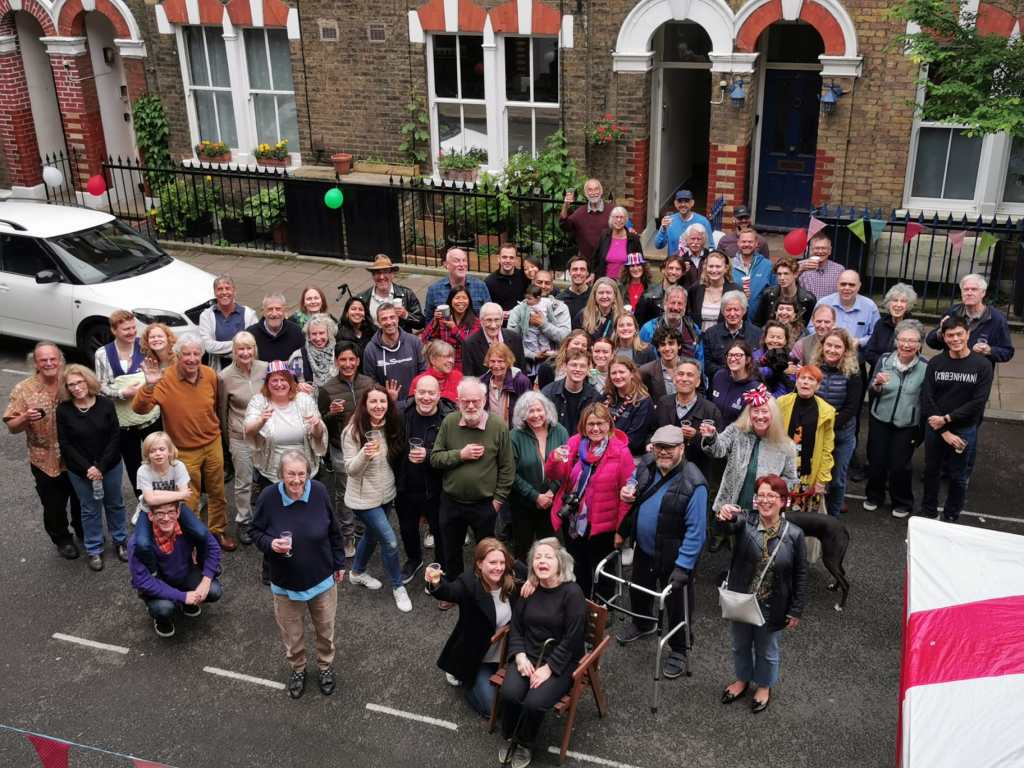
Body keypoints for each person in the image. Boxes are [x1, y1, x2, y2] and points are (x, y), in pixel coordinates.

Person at [250, 451, 346, 699]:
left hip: (322, 580)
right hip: (285, 584)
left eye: (301, 474)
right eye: (290, 474)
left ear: (309, 473)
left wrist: (339, 564)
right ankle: (298, 669)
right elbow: (255, 531)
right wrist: (271, 544)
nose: (296, 480)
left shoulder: (319, 491)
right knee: (292, 635)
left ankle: (325, 666)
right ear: (281, 474)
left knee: (325, 630)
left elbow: (334, 531)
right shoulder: (269, 497)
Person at [616, 425, 707, 678]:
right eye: (659, 447)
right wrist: (628, 489)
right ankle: (643, 623)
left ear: (682, 448)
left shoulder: (695, 482)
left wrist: (684, 566)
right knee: (639, 590)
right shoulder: (647, 463)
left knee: (678, 607)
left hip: (675, 558)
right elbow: (634, 480)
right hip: (644, 549)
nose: (664, 452)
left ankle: (679, 650)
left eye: (670, 447)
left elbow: (697, 531)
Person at [133, 335, 236, 550]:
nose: (192, 358)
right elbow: (139, 409)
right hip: (184, 450)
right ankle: (194, 539)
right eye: (186, 354)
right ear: (178, 356)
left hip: (213, 442)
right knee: (189, 498)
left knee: (218, 492)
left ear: (202, 355)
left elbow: (215, 406)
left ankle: (217, 531)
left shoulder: (209, 375)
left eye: (196, 354)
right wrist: (149, 385)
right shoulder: (165, 379)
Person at [716, 474, 807, 713]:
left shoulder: (795, 534)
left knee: (767, 650)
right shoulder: (745, 520)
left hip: (772, 604)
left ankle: (764, 686)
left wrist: (796, 608)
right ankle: (742, 680)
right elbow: (727, 525)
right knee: (740, 644)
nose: (765, 500)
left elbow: (800, 574)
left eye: (772, 496)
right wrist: (723, 514)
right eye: (761, 495)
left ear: (783, 501)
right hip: (742, 600)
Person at [498, 538, 586, 768]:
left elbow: (573, 639)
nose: (542, 561)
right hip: (528, 654)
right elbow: (516, 626)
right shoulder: (529, 588)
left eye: (548, 557)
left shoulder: (572, 593)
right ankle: (510, 736)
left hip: (560, 661)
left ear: (560, 562)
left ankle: (525, 743)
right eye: (537, 557)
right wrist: (519, 655)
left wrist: (550, 668)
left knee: (533, 703)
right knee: (509, 694)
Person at [545, 403, 633, 598]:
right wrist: (554, 459)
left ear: (609, 425)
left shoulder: (620, 452)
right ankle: (580, 602)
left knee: (603, 572)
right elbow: (555, 475)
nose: (595, 428)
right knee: (578, 567)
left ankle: (602, 607)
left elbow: (626, 497)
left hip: (604, 525)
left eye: (600, 423)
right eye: (590, 424)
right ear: (583, 426)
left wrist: (621, 531)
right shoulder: (575, 444)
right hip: (574, 521)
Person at [430, 378, 516, 579]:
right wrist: (460, 454)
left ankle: (485, 587)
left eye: (475, 401)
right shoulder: (449, 422)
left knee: (487, 553)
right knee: (451, 551)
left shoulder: (497, 426)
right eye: (465, 401)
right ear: (458, 401)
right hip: (451, 502)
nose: (470, 406)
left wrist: (498, 501)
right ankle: (454, 587)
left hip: (484, 504)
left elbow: (507, 467)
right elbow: (435, 458)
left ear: (484, 400)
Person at [4, 342, 83, 558]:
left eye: (52, 359)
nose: (49, 363)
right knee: (53, 505)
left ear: (60, 361)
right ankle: (62, 539)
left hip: (76, 455)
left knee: (81, 498)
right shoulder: (23, 389)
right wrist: (25, 417)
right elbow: (12, 427)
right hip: (44, 460)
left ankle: (84, 530)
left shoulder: (72, 382)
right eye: (43, 360)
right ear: (36, 363)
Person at [424, 539, 521, 716]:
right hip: (478, 657)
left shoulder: (511, 575)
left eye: (502, 562)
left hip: (506, 653)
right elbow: (449, 591)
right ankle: (465, 679)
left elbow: (537, 572)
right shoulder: (468, 583)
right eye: (492, 562)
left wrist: (532, 581)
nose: (498, 568)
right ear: (479, 564)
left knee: (516, 699)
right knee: (491, 709)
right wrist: (435, 581)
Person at [341, 385, 411, 611]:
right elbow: (351, 470)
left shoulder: (391, 425)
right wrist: (365, 454)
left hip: (387, 493)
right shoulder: (353, 431)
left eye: (383, 401)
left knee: (371, 535)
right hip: (363, 499)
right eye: (373, 401)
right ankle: (398, 586)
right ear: (365, 404)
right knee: (390, 541)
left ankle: (357, 572)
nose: (378, 406)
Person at [919, 316, 993, 522]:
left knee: (958, 476)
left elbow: (978, 402)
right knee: (931, 471)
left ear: (968, 334)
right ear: (944, 337)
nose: (955, 339)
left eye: (959, 334)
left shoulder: (983, 365)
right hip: (936, 428)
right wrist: (943, 429)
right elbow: (927, 397)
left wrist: (947, 419)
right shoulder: (936, 363)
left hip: (964, 429)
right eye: (950, 335)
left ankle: (951, 514)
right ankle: (928, 511)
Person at [57, 364, 127, 572]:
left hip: (110, 465)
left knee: (115, 504)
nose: (77, 387)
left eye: (80, 382)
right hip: (81, 471)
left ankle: (120, 541)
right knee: (89, 509)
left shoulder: (106, 404)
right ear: (67, 388)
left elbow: (115, 436)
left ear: (88, 381)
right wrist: (88, 468)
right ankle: (94, 549)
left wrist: (101, 467)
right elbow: (65, 444)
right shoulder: (63, 410)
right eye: (71, 385)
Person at [129, 500, 223, 639]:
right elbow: (143, 581)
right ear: (150, 516)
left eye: (170, 512)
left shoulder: (188, 528)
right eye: (160, 513)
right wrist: (183, 597)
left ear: (178, 512)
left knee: (214, 590)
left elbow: (213, 547)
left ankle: (186, 601)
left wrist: (206, 579)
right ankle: (161, 618)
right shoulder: (137, 543)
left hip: (185, 575)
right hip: (159, 582)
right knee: (164, 609)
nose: (166, 518)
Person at [244, 360, 328, 513]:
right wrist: (261, 420)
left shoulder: (304, 400)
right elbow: (248, 430)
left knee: (306, 512)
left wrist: (317, 425)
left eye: (283, 379)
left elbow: (319, 435)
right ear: (267, 383)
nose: (279, 384)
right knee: (276, 514)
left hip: (304, 470)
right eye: (274, 380)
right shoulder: (259, 401)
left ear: (290, 382)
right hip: (272, 473)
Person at [699, 387, 798, 515]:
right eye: (755, 411)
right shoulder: (736, 431)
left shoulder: (786, 446)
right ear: (749, 414)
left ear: (773, 415)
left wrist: (772, 491)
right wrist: (711, 437)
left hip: (766, 511)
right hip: (730, 507)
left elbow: (791, 479)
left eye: (765, 411)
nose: (760, 416)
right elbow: (718, 449)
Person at [863, 321, 927, 518]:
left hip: (907, 424)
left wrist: (921, 429)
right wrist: (877, 385)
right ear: (896, 341)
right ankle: (874, 496)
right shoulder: (884, 360)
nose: (906, 345)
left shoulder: (926, 367)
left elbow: (926, 399)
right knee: (877, 461)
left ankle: (902, 502)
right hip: (880, 419)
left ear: (919, 344)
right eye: (902, 340)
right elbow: (872, 389)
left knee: (900, 466)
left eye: (912, 341)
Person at [396, 375, 454, 589]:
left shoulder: (449, 418)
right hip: (406, 484)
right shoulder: (402, 413)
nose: (426, 397)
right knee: (407, 528)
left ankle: (439, 567)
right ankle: (414, 559)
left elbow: (453, 453)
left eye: (431, 393)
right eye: (422, 392)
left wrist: (428, 455)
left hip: (437, 487)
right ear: (414, 393)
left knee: (440, 530)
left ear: (439, 395)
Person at [93, 309, 160, 494]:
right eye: (126, 329)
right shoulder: (102, 354)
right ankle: (143, 499)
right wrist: (122, 392)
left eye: (133, 328)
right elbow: (100, 387)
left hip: (150, 417)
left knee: (159, 458)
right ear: (114, 330)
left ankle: (162, 498)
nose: (131, 332)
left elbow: (159, 373)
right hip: (123, 423)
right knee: (134, 464)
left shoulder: (145, 346)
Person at [318, 341, 373, 558]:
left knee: (365, 488)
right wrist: (331, 414)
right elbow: (321, 423)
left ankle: (362, 530)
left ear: (358, 361)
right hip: (340, 448)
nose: (348, 364)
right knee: (343, 494)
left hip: (365, 446)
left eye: (352, 359)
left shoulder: (369, 383)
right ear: (336, 361)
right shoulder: (327, 389)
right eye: (343, 359)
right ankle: (347, 535)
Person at [217, 332, 269, 545]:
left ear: (255, 349)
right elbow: (222, 411)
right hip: (240, 435)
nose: (246, 353)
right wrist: (228, 440)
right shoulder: (224, 376)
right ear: (234, 351)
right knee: (244, 481)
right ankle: (244, 521)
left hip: (265, 433)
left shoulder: (265, 368)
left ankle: (269, 516)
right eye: (241, 349)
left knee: (268, 477)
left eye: (249, 348)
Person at [808, 329, 863, 517]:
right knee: (813, 476)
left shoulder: (853, 373)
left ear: (845, 350)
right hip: (816, 433)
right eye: (829, 345)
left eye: (837, 346)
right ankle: (812, 515)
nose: (832, 350)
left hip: (841, 434)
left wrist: (826, 424)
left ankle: (833, 519)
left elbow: (852, 408)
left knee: (837, 480)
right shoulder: (813, 368)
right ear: (822, 346)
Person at [508, 392, 569, 560]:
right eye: (530, 411)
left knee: (549, 551)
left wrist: (551, 492)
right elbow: (510, 473)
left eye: (539, 410)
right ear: (522, 414)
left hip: (552, 502)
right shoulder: (514, 436)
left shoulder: (560, 431)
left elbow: (567, 464)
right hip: (523, 504)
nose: (536, 415)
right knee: (523, 551)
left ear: (547, 410)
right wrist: (535, 496)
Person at [131, 431, 197, 572]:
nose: (158, 454)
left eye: (162, 449)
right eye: (152, 451)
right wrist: (178, 494)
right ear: (147, 454)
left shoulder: (178, 466)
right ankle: (154, 571)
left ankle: (201, 562)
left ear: (170, 451)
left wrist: (157, 494)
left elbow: (185, 497)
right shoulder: (143, 470)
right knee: (142, 544)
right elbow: (150, 500)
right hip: (148, 510)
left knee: (201, 533)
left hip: (175, 508)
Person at [777, 366, 836, 511]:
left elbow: (827, 449)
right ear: (796, 382)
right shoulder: (781, 403)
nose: (805, 382)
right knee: (778, 514)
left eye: (811, 379)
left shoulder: (827, 411)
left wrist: (822, 480)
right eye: (802, 378)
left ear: (818, 385)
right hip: (782, 471)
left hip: (808, 474)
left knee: (803, 518)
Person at [925, 273, 1015, 367]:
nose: (969, 293)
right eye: (966, 289)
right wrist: (940, 332)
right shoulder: (952, 312)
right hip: (950, 368)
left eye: (974, 289)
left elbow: (1007, 352)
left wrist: (989, 350)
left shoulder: (996, 318)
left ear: (983, 293)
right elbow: (931, 342)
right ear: (961, 293)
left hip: (978, 371)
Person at [655, 358, 722, 478]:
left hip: (696, 475)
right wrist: (650, 444)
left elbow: (719, 449)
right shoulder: (663, 403)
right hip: (664, 472)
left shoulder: (710, 410)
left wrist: (696, 436)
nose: (684, 379)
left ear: (698, 382)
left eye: (690, 375)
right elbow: (651, 431)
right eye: (680, 374)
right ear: (674, 379)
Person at [363, 302, 426, 400]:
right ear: (378, 323)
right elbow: (370, 382)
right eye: (384, 319)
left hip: (415, 402)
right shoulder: (371, 349)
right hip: (387, 404)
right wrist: (386, 396)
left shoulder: (414, 342)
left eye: (392, 317)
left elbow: (424, 372)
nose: (389, 322)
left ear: (397, 319)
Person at [198, 274, 258, 371]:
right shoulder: (206, 316)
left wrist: (221, 349)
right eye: (220, 289)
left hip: (246, 369)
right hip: (219, 370)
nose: (224, 292)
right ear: (215, 293)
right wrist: (240, 345)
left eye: (227, 288)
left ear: (234, 291)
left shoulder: (249, 314)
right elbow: (208, 346)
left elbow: (253, 343)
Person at [701, 290, 760, 383]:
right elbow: (707, 365)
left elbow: (758, 364)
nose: (732, 314)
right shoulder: (711, 334)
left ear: (744, 311)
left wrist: (741, 373)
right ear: (722, 312)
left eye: (736, 310)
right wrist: (730, 372)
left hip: (748, 383)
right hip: (720, 383)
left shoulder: (756, 333)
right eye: (728, 310)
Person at [355, 254, 425, 332]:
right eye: (378, 273)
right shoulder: (362, 298)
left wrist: (406, 315)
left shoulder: (407, 294)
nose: (381, 277)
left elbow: (421, 323)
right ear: (373, 276)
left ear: (392, 274)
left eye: (385, 272)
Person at [540, 351, 602, 436]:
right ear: (565, 366)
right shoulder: (548, 393)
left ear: (588, 369)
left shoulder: (594, 397)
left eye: (582, 366)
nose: (578, 369)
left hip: (583, 441)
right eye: (574, 365)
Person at [509, 269, 571, 354]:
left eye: (547, 283)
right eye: (539, 282)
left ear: (552, 286)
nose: (543, 286)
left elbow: (566, 338)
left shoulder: (561, 308)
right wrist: (533, 355)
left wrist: (543, 324)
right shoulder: (519, 309)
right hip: (526, 358)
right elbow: (511, 340)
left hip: (553, 358)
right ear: (532, 284)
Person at [421, 286, 480, 373]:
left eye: (464, 298)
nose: (461, 301)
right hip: (443, 365)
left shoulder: (475, 322)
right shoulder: (443, 319)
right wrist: (435, 322)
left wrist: (454, 329)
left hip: (465, 366)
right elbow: (425, 339)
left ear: (469, 302)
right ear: (451, 302)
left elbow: (471, 345)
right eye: (457, 298)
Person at [817, 270, 880, 349]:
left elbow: (877, 335)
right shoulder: (823, 303)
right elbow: (811, 328)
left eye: (851, 285)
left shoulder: (870, 307)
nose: (847, 288)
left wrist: (860, 342)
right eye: (843, 284)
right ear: (837, 285)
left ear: (859, 286)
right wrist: (826, 337)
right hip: (828, 350)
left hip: (857, 352)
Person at [605, 358, 655, 457]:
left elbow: (634, 441)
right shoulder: (606, 396)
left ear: (632, 374)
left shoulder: (643, 401)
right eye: (613, 373)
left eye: (622, 372)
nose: (618, 376)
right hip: (603, 451)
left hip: (629, 455)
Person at [423, 248, 492, 320]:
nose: (462, 264)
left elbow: (490, 315)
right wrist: (435, 319)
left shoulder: (480, 286)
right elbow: (428, 320)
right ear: (446, 264)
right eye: (457, 261)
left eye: (464, 260)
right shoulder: (434, 290)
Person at [559, 178, 614, 266]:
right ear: (585, 194)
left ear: (601, 191)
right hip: (587, 262)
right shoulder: (580, 213)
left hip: (607, 262)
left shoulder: (612, 210)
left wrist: (630, 228)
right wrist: (566, 205)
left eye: (596, 189)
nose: (593, 193)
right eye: (590, 190)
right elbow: (564, 226)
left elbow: (624, 225)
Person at [462, 302, 526, 377]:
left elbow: (522, 372)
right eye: (489, 320)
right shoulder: (470, 344)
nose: (493, 325)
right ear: (481, 321)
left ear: (502, 320)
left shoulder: (515, 338)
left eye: (497, 320)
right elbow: (469, 377)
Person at [638, 285, 701, 360]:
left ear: (685, 306)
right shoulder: (649, 330)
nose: (675, 308)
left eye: (680, 303)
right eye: (672, 303)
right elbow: (641, 360)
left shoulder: (694, 330)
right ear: (665, 304)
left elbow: (700, 361)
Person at [863, 283, 917, 369]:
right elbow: (869, 352)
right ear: (889, 303)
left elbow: (913, 356)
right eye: (895, 300)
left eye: (903, 301)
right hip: (879, 372)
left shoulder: (914, 327)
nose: (898, 305)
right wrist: (885, 364)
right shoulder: (881, 323)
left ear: (908, 305)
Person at [753, 258, 817, 328]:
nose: (782, 278)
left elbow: (809, 327)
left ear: (795, 274)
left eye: (786, 274)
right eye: (779, 274)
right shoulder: (768, 295)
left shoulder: (808, 299)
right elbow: (758, 322)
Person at [710, 341, 763, 426]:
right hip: (714, 431)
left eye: (738, 355)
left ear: (748, 359)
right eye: (730, 355)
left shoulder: (756, 388)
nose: (733, 359)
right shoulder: (719, 376)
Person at [509, 285, 557, 376]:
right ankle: (531, 365)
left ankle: (544, 362)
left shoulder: (546, 304)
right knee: (531, 344)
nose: (527, 300)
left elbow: (551, 316)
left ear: (538, 298)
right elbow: (518, 311)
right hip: (530, 330)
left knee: (544, 345)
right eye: (526, 298)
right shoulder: (525, 305)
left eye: (530, 299)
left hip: (543, 330)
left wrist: (551, 324)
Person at [287, 314, 338, 399]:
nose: (318, 338)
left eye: (321, 333)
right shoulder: (298, 357)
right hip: (309, 402)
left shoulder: (338, 353)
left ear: (329, 333)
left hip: (336, 400)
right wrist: (297, 386)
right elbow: (289, 382)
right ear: (308, 336)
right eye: (314, 334)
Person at [480, 343, 531, 426]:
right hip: (490, 430)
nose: (496, 365)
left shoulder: (520, 381)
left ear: (508, 362)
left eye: (500, 361)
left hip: (513, 430)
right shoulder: (483, 381)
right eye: (492, 361)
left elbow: (528, 410)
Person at [731, 230, 775, 322]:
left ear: (756, 244)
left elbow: (775, 293)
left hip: (759, 322)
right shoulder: (729, 265)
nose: (747, 244)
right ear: (738, 243)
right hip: (733, 318)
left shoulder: (767, 266)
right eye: (743, 241)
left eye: (750, 242)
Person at [688, 250, 739, 330]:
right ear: (705, 267)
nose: (714, 270)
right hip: (700, 336)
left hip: (725, 336)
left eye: (718, 266)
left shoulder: (735, 290)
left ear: (726, 268)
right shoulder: (696, 289)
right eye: (711, 266)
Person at [247, 293, 305, 363]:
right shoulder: (251, 334)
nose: (274, 314)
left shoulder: (296, 332)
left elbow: (303, 360)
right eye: (270, 309)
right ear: (263, 312)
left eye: (278, 309)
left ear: (284, 311)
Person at [592, 206, 643, 279]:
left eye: (622, 217)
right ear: (611, 219)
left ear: (626, 220)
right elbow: (595, 257)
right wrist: (592, 273)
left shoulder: (633, 238)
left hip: (626, 281)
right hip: (606, 281)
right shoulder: (604, 235)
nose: (619, 220)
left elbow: (640, 261)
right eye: (616, 217)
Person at [636, 255, 686, 327]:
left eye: (678, 269)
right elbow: (638, 324)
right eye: (670, 268)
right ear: (663, 270)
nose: (673, 272)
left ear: (682, 272)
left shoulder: (685, 295)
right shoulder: (648, 295)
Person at [639, 326, 684, 402]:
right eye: (663, 344)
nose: (667, 348)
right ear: (658, 348)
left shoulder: (693, 366)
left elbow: (701, 395)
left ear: (679, 345)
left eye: (671, 343)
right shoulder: (646, 371)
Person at [753, 321, 797, 397]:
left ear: (785, 341)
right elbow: (751, 374)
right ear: (765, 338)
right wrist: (779, 370)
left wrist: (770, 399)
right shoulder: (755, 355)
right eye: (772, 337)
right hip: (755, 396)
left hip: (778, 400)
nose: (775, 341)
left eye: (779, 338)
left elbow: (788, 387)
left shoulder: (791, 359)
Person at [485, 243, 529, 316]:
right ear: (498, 258)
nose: (508, 260)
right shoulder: (489, 282)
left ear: (516, 260)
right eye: (504, 257)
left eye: (511, 258)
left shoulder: (524, 277)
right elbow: (487, 307)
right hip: (500, 320)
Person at [575, 277, 623, 342]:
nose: (604, 296)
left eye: (608, 293)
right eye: (601, 293)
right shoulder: (583, 315)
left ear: (615, 295)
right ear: (594, 295)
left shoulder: (622, 316)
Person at [797, 234, 843, 299]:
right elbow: (787, 287)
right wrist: (798, 271)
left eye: (824, 248)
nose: (820, 251)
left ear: (830, 250)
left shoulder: (839, 270)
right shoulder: (799, 266)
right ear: (809, 250)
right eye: (817, 248)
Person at [335, 296, 375, 364]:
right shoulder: (338, 333)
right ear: (347, 313)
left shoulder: (373, 331)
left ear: (364, 315)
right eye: (353, 309)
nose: (357, 312)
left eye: (361, 309)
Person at [558, 256, 592, 324]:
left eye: (582, 269)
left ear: (587, 273)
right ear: (569, 272)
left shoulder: (595, 296)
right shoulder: (560, 299)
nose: (578, 273)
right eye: (575, 269)